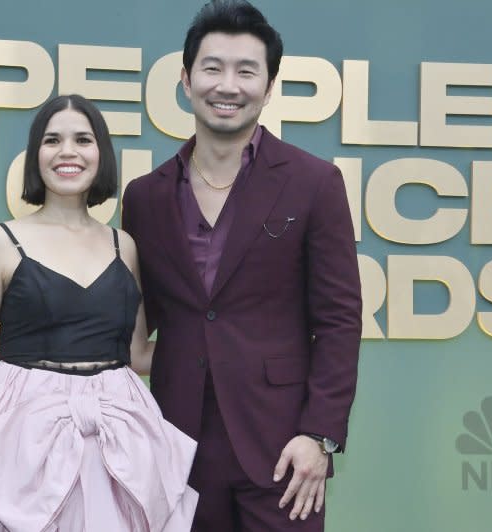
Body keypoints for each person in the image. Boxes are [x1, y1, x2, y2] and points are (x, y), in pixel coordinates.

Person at [121, 1, 362, 531]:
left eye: (246, 71)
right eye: (212, 68)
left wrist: (320, 435)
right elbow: (134, 322)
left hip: (283, 448)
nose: (227, 85)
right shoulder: (145, 197)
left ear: (269, 86)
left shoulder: (314, 183)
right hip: (175, 443)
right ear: (185, 80)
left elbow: (340, 320)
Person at [0, 94, 198, 531]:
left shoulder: (122, 246)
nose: (67, 151)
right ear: (36, 156)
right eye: (52, 140)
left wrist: (219, 349)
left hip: (117, 439)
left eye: (83, 139)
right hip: (21, 436)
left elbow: (136, 353)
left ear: (101, 154)